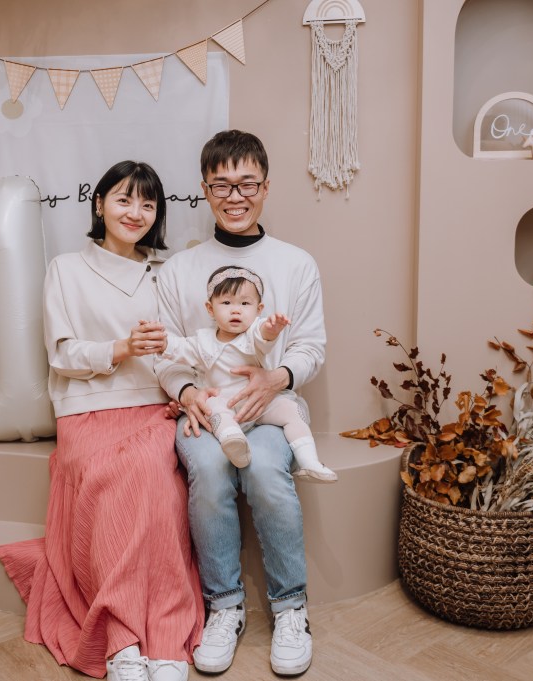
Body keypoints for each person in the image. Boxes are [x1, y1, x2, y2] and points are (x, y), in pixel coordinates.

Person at [0, 160, 203, 681]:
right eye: (124, 199)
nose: (136, 213)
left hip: (152, 407)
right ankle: (120, 639)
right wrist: (121, 348)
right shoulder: (65, 269)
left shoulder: (164, 274)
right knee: (107, 480)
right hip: (85, 409)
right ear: (99, 204)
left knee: (155, 479)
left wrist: (182, 389)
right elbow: (62, 354)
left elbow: (178, 353)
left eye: (148, 204)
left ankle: (164, 635)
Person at [154, 130, 327, 676]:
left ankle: (290, 608)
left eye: (247, 184)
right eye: (222, 185)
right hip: (209, 413)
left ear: (266, 187)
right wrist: (186, 393)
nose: (235, 196)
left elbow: (310, 347)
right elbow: (166, 354)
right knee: (208, 471)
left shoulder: (297, 264)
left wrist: (276, 378)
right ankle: (224, 607)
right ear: (205, 190)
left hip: (273, 410)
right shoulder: (178, 270)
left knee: (269, 472)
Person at [160, 265, 336, 482]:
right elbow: (179, 348)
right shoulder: (203, 341)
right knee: (212, 408)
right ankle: (234, 443)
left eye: (245, 304)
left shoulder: (253, 334)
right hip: (225, 403)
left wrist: (272, 329)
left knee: (291, 410)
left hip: (259, 403)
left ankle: (309, 461)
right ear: (210, 308)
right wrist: (162, 342)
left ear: (259, 309)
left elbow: (264, 337)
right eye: (226, 303)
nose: (236, 310)